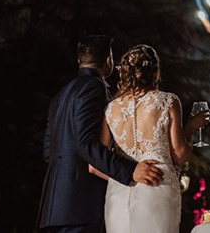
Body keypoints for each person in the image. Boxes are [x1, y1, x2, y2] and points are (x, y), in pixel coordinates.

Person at [37, 35, 164, 233]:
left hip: (54, 206)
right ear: (108, 60)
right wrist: (131, 170)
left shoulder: (60, 94)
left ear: (80, 60)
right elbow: (85, 143)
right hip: (79, 203)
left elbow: (48, 149)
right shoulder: (93, 87)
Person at [88, 44, 210, 233]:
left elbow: (95, 166)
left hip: (118, 192)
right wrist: (191, 128)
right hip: (156, 185)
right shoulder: (168, 101)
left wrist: (123, 176)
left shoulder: (110, 109)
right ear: (155, 71)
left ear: (125, 73)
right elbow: (179, 155)